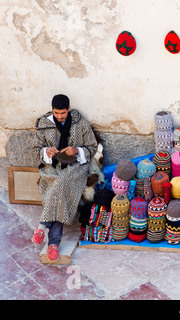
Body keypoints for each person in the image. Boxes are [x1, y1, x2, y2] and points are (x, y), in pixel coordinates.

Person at [32, 94, 98, 262]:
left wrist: (77, 150)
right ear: (52, 110)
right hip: (51, 168)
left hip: (75, 167)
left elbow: (92, 146)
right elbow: (35, 150)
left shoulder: (80, 123)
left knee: (62, 182)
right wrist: (46, 152)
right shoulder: (43, 125)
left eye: (63, 113)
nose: (60, 116)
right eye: (56, 113)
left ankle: (43, 226)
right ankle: (53, 243)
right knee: (59, 184)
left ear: (68, 109)